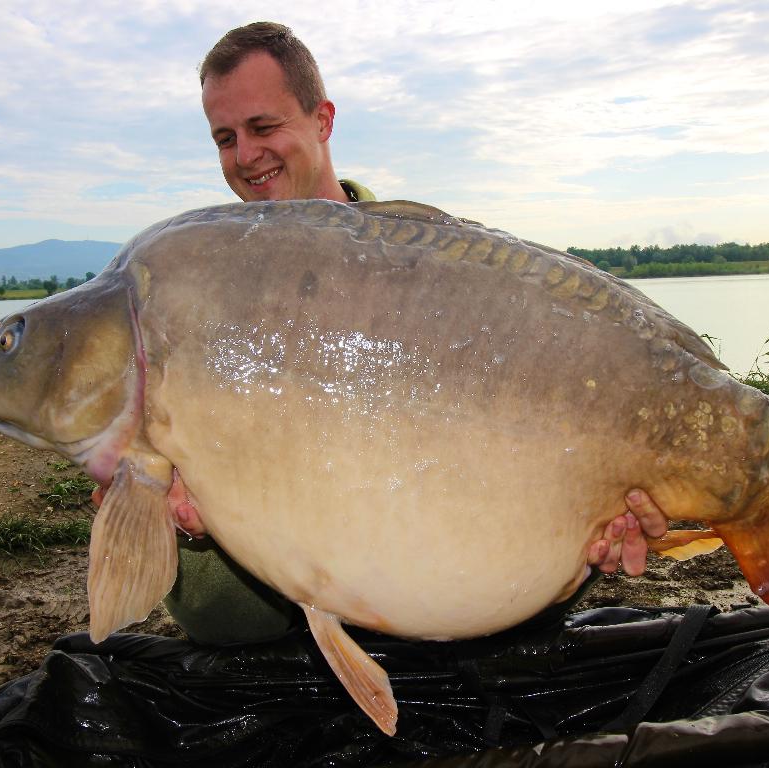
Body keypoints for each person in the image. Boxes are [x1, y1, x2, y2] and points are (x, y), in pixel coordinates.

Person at [159, 21, 669, 645]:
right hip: (301, 641)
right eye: (224, 137)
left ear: (322, 119)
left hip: (466, 618)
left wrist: (591, 548)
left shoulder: (434, 275)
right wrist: (193, 532)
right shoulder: (205, 312)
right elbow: (222, 625)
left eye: (264, 128)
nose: (244, 156)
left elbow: (514, 525)